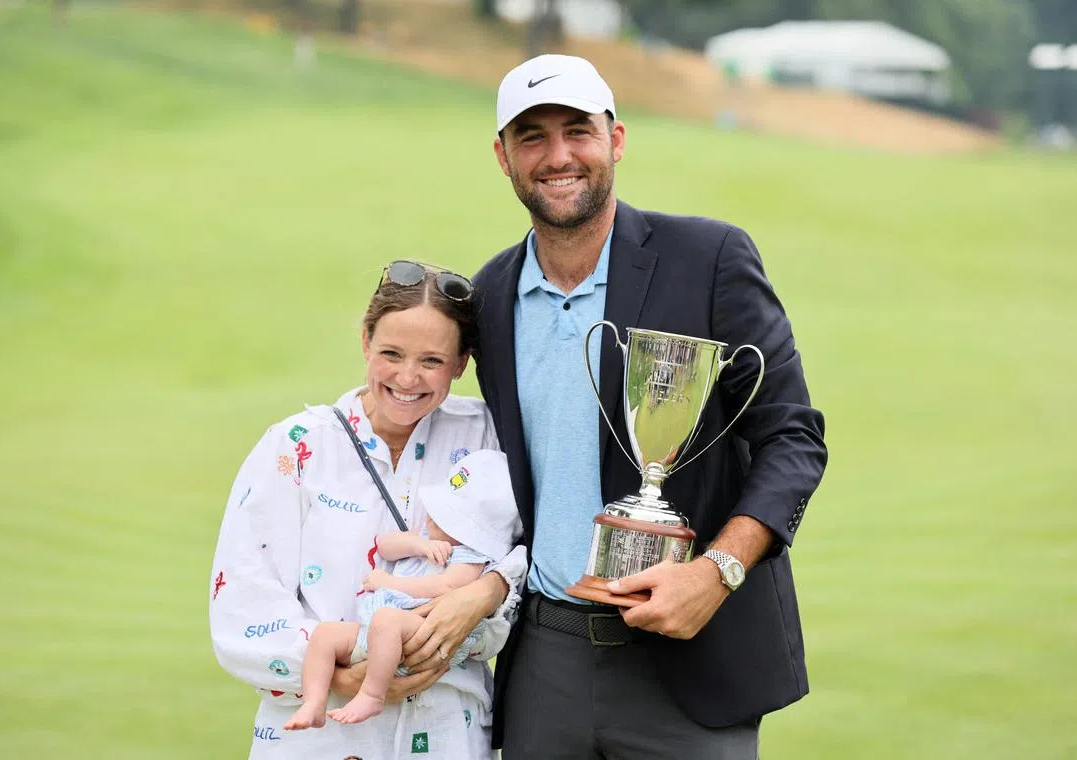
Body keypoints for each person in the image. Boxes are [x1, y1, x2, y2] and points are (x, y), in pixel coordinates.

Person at [473, 54, 829, 758]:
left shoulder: (709, 258)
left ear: (617, 138)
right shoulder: (489, 295)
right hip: (544, 664)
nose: (558, 156)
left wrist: (715, 572)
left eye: (578, 130)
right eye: (532, 137)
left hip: (690, 664)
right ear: (503, 157)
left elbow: (795, 438)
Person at [210, 260, 527, 759]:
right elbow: (242, 606)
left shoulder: (489, 435)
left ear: (462, 362)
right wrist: (353, 668)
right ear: (365, 342)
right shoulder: (296, 444)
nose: (407, 377)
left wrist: (473, 608)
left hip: (448, 733)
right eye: (391, 354)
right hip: (319, 740)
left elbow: (527, 565)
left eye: (431, 361)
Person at [284, 450, 521, 730]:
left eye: (446, 518)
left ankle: (372, 694)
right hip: (376, 632)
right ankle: (314, 702)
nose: (431, 518)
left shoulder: (470, 559)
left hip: (421, 634)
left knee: (386, 620)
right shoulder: (430, 538)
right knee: (325, 635)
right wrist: (419, 545)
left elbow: (445, 587)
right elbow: (386, 545)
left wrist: (390, 583)